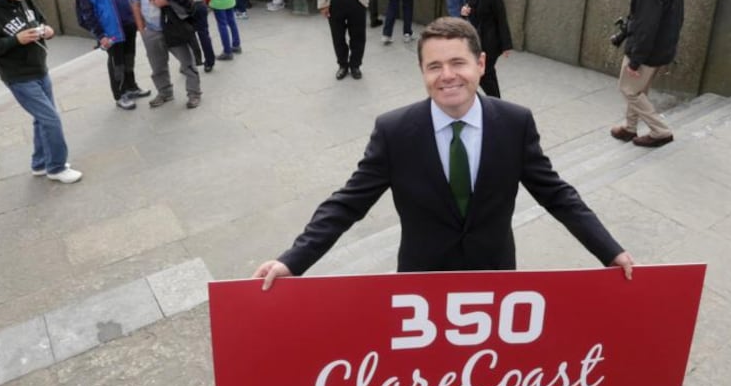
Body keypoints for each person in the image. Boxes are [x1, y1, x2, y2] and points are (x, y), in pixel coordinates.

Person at [253, 17, 634, 288]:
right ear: (422, 72)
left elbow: (558, 195)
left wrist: (609, 251)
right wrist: (293, 260)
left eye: (457, 63)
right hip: (422, 285)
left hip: (495, 279)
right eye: (434, 66)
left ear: (480, 65)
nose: (447, 75)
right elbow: (346, 204)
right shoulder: (395, 131)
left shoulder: (515, 123)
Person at [0, 0, 81, 183]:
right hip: (18, 76)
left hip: (39, 67)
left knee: (41, 120)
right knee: (50, 119)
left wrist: (46, 31)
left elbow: (40, 20)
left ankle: (40, 164)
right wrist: (16, 40)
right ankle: (57, 167)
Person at [610, 0, 685, 148]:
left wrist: (635, 59)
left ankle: (660, 131)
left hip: (647, 50)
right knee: (638, 89)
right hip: (662, 47)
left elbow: (645, 26)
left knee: (629, 90)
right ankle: (629, 128)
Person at [130, 0, 202, 110]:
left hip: (173, 28)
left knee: (187, 63)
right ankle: (165, 92)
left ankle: (194, 93)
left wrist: (167, 0)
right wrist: (141, 29)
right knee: (157, 66)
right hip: (151, 31)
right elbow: (136, 4)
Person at [79, 0, 151, 111]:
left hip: (128, 24)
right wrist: (100, 34)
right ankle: (120, 95)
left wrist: (142, 15)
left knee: (129, 57)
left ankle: (131, 86)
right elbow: (87, 11)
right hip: (110, 31)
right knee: (116, 63)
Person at [461, 0, 511, 98]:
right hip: (476, 39)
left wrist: (506, 45)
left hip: (490, 42)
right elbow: (471, 14)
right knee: (485, 74)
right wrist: (464, 13)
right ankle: (495, 102)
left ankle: (496, 103)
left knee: (484, 73)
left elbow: (502, 20)